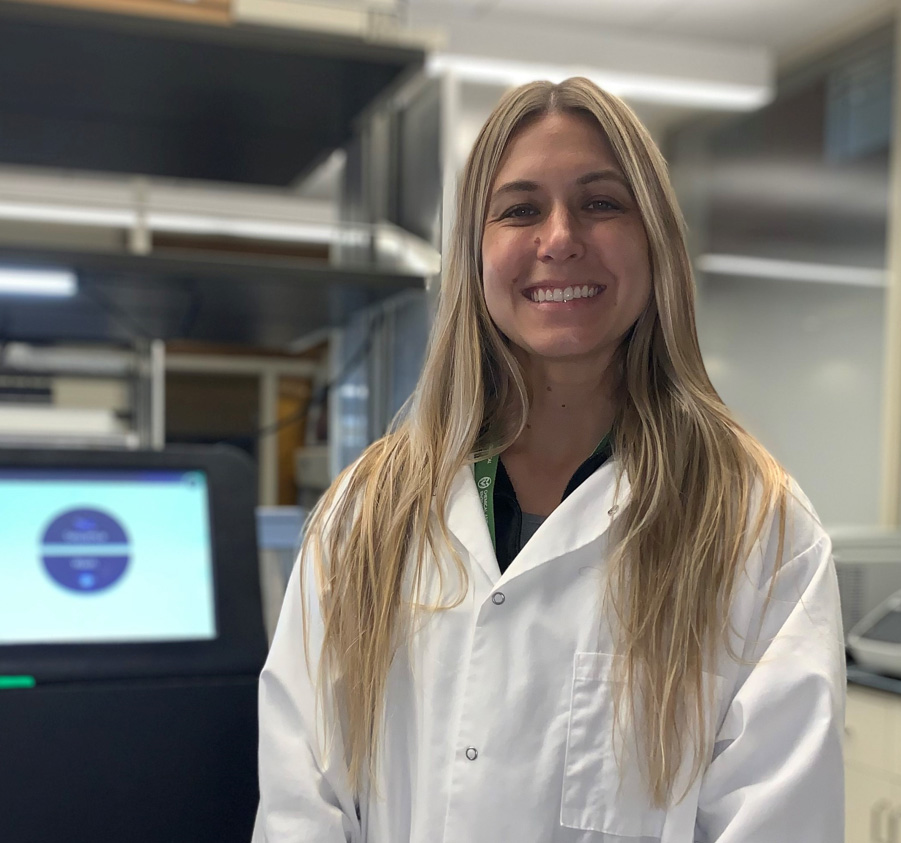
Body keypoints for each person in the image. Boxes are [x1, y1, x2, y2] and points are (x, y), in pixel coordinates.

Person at [252, 77, 845, 843]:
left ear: (655, 239)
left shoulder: (754, 527)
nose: (559, 237)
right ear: (475, 252)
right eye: (520, 208)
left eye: (601, 203)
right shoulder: (366, 515)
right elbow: (303, 803)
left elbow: (780, 822)